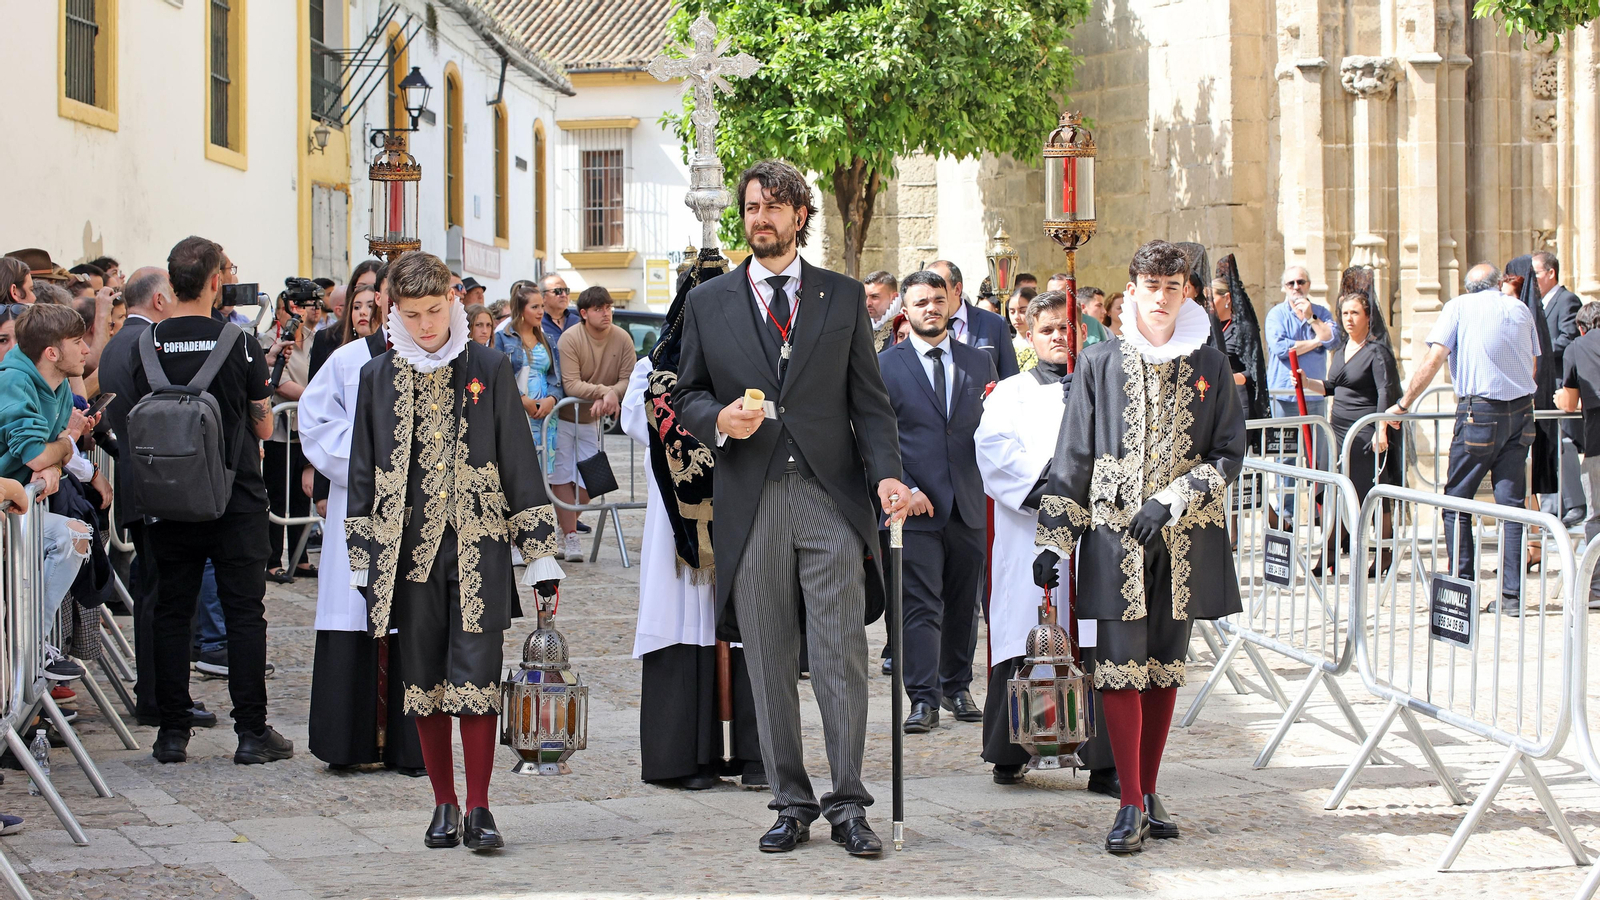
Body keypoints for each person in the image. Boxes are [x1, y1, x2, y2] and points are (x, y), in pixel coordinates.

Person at [672, 159, 910, 857]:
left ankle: (849, 805)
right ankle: (789, 801)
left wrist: (888, 477)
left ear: (800, 216)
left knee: (841, 657)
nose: (761, 220)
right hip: (753, 503)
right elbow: (684, 392)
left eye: (774, 207)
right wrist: (718, 419)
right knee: (769, 659)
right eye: (751, 208)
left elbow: (870, 402)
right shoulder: (709, 302)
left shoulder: (841, 297)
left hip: (830, 499)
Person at [345, 250, 565, 852]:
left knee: (476, 679)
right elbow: (363, 470)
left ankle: (480, 807)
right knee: (423, 681)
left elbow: (519, 460)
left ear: (453, 299)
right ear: (394, 311)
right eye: (411, 314)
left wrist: (539, 555)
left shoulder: (489, 366)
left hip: (479, 545)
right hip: (406, 553)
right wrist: (362, 562)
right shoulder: (376, 376)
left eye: (434, 311)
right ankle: (442, 801)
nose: (424, 326)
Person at [1032, 240, 1246, 855]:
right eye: (1150, 288)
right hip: (1110, 538)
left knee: (1163, 670)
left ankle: (1149, 790)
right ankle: (1127, 802)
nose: (1160, 298)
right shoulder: (1100, 362)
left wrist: (1174, 497)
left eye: (1172, 287)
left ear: (1187, 292)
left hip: (1180, 541)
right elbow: (1073, 454)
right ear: (1132, 293)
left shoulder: (1208, 361)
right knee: (1119, 669)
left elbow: (1230, 452)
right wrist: (1055, 538)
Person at [128, 236, 290, 766]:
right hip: (234, 496)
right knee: (245, 612)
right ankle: (251, 733)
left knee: (173, 612)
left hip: (169, 497)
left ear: (171, 284)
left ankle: (172, 733)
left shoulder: (145, 345)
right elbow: (263, 421)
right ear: (217, 281)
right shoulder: (238, 342)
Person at [976, 289, 1117, 793]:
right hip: (1029, 532)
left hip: (1093, 536)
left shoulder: (1102, 387)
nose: (1060, 336)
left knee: (1095, 641)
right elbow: (992, 451)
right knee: (1027, 636)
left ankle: (1103, 759)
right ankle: (1011, 748)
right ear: (1029, 337)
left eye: (1067, 327)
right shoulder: (1010, 393)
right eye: (1048, 329)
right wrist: (1053, 493)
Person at [298, 265, 426, 776]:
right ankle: (349, 741)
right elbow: (315, 421)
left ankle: (412, 746)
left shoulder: (449, 362)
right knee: (355, 612)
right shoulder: (350, 359)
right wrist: (373, 459)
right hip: (363, 509)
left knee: (416, 619)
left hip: (422, 514)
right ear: (386, 304)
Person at [621, 348, 765, 789]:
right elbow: (635, 422)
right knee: (683, 620)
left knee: (757, 618)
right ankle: (684, 758)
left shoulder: (749, 352)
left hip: (748, 499)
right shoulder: (654, 367)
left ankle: (758, 753)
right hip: (677, 517)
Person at [95, 268, 218, 727]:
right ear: (161, 300)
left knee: (154, 593)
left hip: (138, 476)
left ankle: (157, 695)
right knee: (163, 598)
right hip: (158, 480)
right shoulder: (141, 344)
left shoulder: (121, 342)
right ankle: (161, 698)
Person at [877, 269, 994, 733]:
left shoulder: (979, 363)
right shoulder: (886, 366)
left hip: (968, 503)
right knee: (920, 606)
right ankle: (922, 698)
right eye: (921, 301)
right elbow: (877, 438)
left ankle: (957, 687)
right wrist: (906, 486)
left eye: (938, 299)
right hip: (913, 507)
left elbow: (994, 430)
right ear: (906, 309)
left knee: (965, 604)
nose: (931, 307)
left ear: (951, 304)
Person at [1386, 262, 1538, 615]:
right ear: (1498, 283)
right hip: (1521, 411)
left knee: (1457, 501)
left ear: (1470, 288)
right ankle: (1511, 597)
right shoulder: (1519, 308)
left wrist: (1404, 402)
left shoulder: (1459, 307)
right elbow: (1531, 365)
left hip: (1480, 411)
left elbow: (1435, 358)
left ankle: (1461, 588)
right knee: (1511, 506)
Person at [0, 303, 95, 667]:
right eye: (78, 341)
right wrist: (59, 452)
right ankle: (23, 649)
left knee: (75, 536)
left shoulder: (52, 383)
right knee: (68, 537)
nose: (86, 349)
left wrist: (55, 457)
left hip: (16, 506)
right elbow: (39, 455)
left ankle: (30, 644)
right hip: (6, 504)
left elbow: (49, 452)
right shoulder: (14, 380)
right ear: (52, 352)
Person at [1293, 290, 1403, 575]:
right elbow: (1331, 387)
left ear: (1368, 317)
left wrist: (1380, 428)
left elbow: (1384, 392)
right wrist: (1307, 382)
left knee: (1370, 492)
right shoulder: (1340, 350)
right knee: (1340, 491)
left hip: (1365, 431)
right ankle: (1330, 552)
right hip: (1339, 429)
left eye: (1355, 313)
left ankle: (1385, 552)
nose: (1349, 318)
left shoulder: (1376, 352)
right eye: (1345, 313)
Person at [555, 286, 633, 560]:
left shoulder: (622, 338)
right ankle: (571, 535)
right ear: (584, 313)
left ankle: (563, 527)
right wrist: (605, 392)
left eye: (609, 307)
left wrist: (613, 394)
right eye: (599, 309)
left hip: (592, 421)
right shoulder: (570, 338)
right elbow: (570, 382)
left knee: (592, 483)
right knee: (562, 475)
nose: (606, 313)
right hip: (564, 418)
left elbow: (628, 378)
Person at [1264, 266, 1336, 525]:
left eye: (1301, 282)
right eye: (1291, 283)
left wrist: (1312, 320)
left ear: (1308, 284)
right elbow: (1281, 348)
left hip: (1314, 397)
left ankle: (1322, 514)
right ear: (1284, 287)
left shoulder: (1321, 313)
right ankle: (1288, 516)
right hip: (1285, 397)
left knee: (1320, 458)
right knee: (1286, 458)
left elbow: (1334, 339)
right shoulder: (1276, 315)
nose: (1296, 287)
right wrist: (1318, 342)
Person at [263, 286, 320, 584]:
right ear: (281, 310)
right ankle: (273, 560)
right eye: (295, 307)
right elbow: (279, 384)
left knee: (302, 496)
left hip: (306, 428)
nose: (301, 313)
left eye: (306, 306)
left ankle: (300, 558)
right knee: (277, 496)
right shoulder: (267, 340)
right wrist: (316, 397)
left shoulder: (313, 340)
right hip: (279, 431)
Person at [1533, 252, 1585, 525]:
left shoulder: (1567, 300)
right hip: (1542, 386)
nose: (1533, 280)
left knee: (1564, 443)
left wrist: (1535, 351)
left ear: (1551, 273)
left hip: (1558, 385)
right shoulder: (1537, 304)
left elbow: (1568, 338)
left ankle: (1575, 503)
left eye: (1536, 274)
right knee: (1547, 446)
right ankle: (1551, 508)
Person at [1556, 302, 1600, 606]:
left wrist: (1560, 395)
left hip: (1598, 442)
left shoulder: (1577, 347)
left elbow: (1569, 403)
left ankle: (1597, 589)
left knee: (1597, 517)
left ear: (1582, 327)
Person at [492, 281, 559, 472]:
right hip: (516, 412)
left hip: (545, 415)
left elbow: (556, 378)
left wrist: (552, 399)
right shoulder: (502, 339)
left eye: (542, 307)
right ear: (521, 310)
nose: (541, 312)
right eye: (535, 307)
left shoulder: (548, 340)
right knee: (518, 470)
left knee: (543, 476)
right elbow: (499, 377)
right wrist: (521, 398)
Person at [928, 260, 1020, 380]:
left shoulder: (994, 324)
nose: (931, 294)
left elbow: (1010, 379)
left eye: (938, 287)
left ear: (957, 289)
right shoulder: (918, 325)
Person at [1213, 255, 1270, 421]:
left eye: (1212, 297)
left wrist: (1231, 378)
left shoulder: (1243, 329)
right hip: (1216, 401)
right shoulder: (1209, 329)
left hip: (1239, 401)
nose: (1207, 302)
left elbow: (1255, 369)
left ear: (1227, 298)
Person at [863, 270, 900, 353]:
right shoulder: (861, 325)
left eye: (875, 297)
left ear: (893, 297)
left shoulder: (903, 326)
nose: (868, 303)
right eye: (865, 297)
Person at [1008, 286, 1038, 371]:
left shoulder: (1042, 345)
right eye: (1012, 312)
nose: (1016, 317)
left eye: (1022, 311)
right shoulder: (1006, 345)